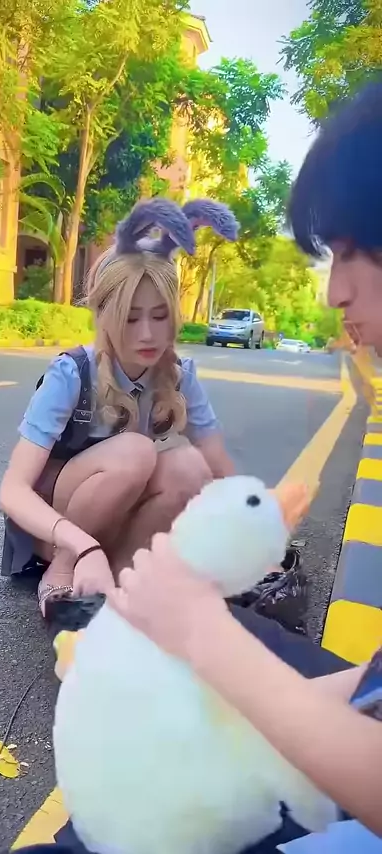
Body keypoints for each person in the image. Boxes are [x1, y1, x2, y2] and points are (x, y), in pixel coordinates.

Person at [107, 79, 382, 845]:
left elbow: (216, 461)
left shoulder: (185, 377)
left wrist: (202, 632)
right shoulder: (74, 371)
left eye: (353, 250)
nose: (335, 293)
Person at [0, 197, 236, 621]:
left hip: (119, 527)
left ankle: (121, 579)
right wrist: (80, 546)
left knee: (191, 466)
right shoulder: (72, 372)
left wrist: (263, 549)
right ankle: (64, 570)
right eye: (130, 318)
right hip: (56, 531)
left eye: (159, 316)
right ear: (104, 314)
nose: (147, 334)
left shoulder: (180, 375)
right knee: (136, 451)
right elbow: (12, 491)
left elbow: (222, 473)